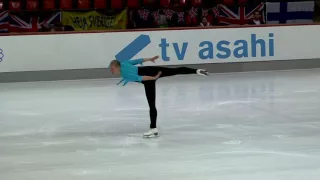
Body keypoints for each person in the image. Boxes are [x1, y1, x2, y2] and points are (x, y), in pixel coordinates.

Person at [109, 56, 208, 138]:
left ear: (118, 67)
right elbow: (138, 60)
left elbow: (141, 78)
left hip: (148, 79)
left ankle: (153, 129)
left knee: (152, 105)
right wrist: (150, 59)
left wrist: (153, 78)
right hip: (152, 70)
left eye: (113, 68)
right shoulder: (125, 63)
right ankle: (197, 71)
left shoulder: (125, 75)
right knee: (175, 71)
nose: (111, 70)